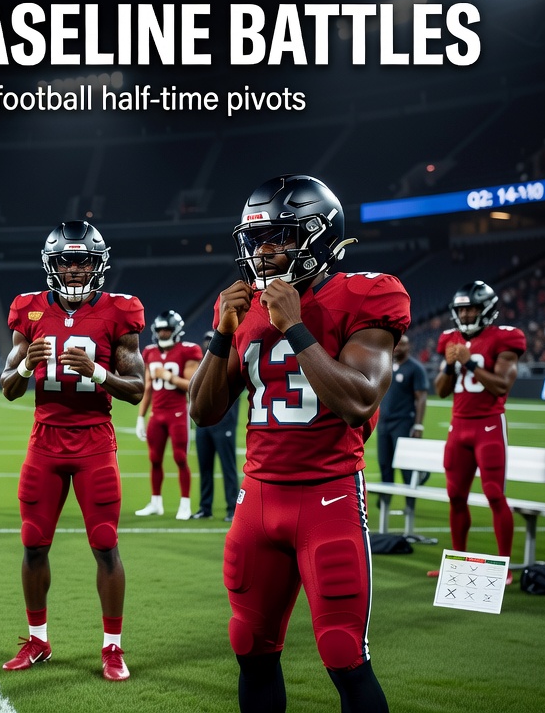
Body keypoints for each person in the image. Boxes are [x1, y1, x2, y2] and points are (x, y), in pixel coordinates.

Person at [190, 174, 408, 713]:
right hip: (258, 499)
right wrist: (223, 331)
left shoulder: (366, 294)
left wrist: (294, 327)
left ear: (317, 235)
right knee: (250, 646)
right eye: (257, 240)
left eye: (278, 239)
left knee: (342, 653)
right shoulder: (247, 310)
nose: (263, 252)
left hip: (327, 497)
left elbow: (358, 401)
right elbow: (204, 410)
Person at [0, 220, 145, 680]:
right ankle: (38, 639)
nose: (76, 269)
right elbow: (7, 389)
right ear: (52, 264)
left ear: (99, 265)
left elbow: (137, 389)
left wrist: (99, 373)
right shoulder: (29, 310)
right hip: (45, 440)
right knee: (32, 542)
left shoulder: (120, 312)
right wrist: (24, 363)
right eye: (67, 260)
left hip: (94, 440)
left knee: (105, 543)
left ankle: (113, 648)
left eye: (84, 261)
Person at [433, 281, 525, 570]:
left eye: (471, 308)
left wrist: (470, 363)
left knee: (495, 494)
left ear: (486, 309)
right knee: (455, 496)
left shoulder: (506, 338)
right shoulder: (449, 338)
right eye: (462, 309)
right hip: (458, 426)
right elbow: (442, 391)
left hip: (489, 426)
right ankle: (457, 563)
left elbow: (501, 387)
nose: (466, 315)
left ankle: (503, 567)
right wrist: (450, 366)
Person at [134, 309, 202, 519]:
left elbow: (192, 385)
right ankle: (155, 503)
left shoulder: (188, 351)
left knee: (180, 458)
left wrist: (169, 377)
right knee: (154, 459)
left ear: (176, 330)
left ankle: (185, 504)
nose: (163, 334)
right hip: (158, 414)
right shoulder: (150, 352)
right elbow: (147, 387)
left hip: (178, 413)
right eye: (161, 330)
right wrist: (140, 416)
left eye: (167, 330)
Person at [376, 334, 429, 518]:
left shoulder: (415, 368)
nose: (397, 347)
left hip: (403, 422)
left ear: (409, 347)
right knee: (384, 464)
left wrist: (418, 425)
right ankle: (386, 504)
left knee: (406, 468)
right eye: (396, 344)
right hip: (384, 422)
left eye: (402, 344)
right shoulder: (385, 365)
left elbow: (421, 397)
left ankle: (409, 505)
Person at [193, 329, 241, 522]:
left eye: (211, 340)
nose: (208, 344)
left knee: (228, 468)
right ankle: (205, 507)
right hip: (204, 426)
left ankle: (232, 508)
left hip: (224, 423)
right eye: (206, 341)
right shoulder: (203, 367)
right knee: (205, 467)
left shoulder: (231, 363)